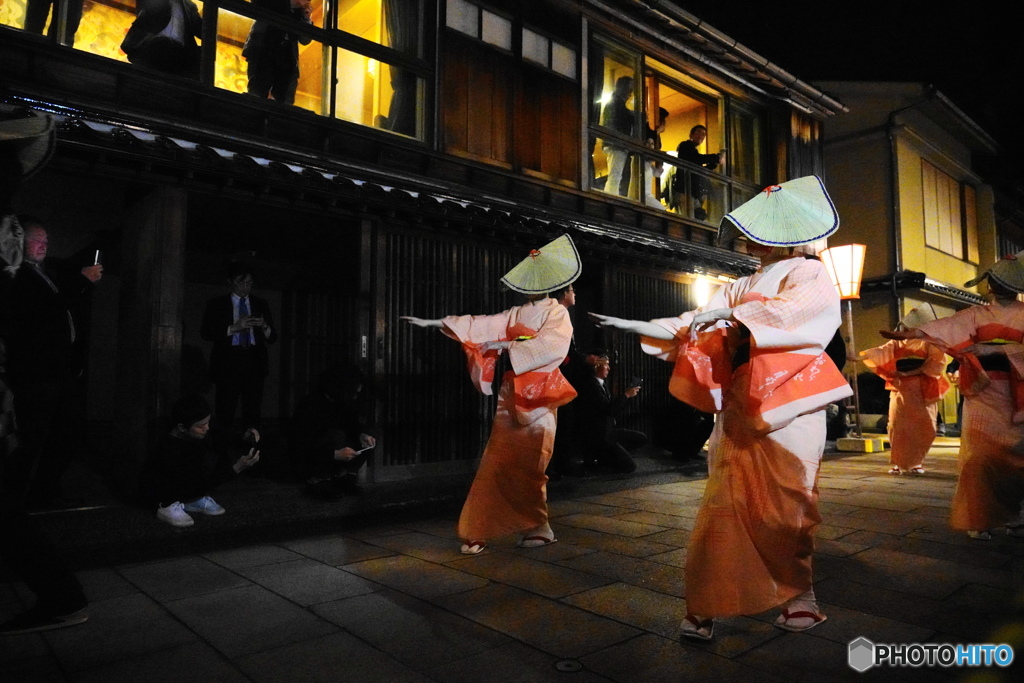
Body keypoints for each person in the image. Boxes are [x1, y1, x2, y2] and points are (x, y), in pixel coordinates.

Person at [591, 176, 850, 640]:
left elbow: (804, 316)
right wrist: (638, 324)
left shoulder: (809, 272)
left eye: (757, 234)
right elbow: (694, 323)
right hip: (741, 394)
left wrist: (736, 316)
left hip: (790, 394)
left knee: (789, 500)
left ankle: (798, 596)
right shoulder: (739, 284)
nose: (749, 243)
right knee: (723, 500)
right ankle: (706, 603)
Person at [402, 234, 580, 554]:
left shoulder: (558, 313)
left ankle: (539, 526)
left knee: (532, 464)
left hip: (541, 393)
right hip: (512, 393)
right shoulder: (515, 313)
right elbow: (481, 325)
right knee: (497, 462)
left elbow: (552, 347)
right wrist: (433, 322)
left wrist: (505, 345)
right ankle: (480, 526)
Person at [0, 107, 89, 637]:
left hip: (23, 383)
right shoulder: (18, 249)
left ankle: (61, 594)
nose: (41, 247)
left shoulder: (18, 249)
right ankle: (61, 594)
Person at [882, 253, 1024, 540]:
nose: (993, 286)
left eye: (995, 280)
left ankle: (1016, 515)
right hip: (983, 391)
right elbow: (948, 326)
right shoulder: (975, 314)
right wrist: (914, 333)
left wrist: (995, 350)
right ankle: (979, 517)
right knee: (977, 457)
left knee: (1019, 457)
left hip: (1017, 388)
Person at [0, 215, 102, 509]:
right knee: (32, 436)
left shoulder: (47, 274)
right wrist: (81, 281)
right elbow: (41, 312)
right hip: (37, 372)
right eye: (36, 240)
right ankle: (14, 498)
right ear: (20, 242)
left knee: (67, 432)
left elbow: (63, 306)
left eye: (46, 240)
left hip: (60, 370)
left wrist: (83, 282)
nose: (43, 245)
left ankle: (44, 488)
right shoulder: (17, 274)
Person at [139, 394, 260, 527]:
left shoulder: (197, 432)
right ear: (181, 428)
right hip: (166, 491)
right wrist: (236, 468)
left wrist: (243, 437)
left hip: (189, 485)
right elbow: (198, 483)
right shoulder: (169, 449)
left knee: (209, 450)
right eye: (201, 425)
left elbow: (221, 434)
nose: (206, 427)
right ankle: (166, 506)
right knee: (182, 481)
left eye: (208, 422)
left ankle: (193, 499)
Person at [861, 307, 950, 475]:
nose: (907, 329)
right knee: (897, 425)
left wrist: (909, 372)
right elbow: (880, 351)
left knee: (924, 426)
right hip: (901, 387)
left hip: (921, 387)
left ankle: (916, 462)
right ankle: (898, 462)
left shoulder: (930, 343)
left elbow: (936, 363)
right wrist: (860, 356)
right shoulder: (896, 343)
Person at [200, 262, 278, 435]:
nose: (245, 287)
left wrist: (264, 325)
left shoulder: (260, 303)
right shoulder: (217, 304)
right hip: (228, 362)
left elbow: (273, 337)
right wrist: (234, 328)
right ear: (230, 282)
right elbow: (206, 332)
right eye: (240, 283)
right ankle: (222, 450)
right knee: (225, 410)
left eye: (249, 283)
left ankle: (251, 450)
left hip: (254, 361)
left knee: (253, 411)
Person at [290, 364, 376, 498]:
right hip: (310, 459)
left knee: (368, 437)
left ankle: (343, 476)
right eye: (353, 393)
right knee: (336, 435)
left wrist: (363, 434)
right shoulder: (310, 405)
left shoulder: (344, 403)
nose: (355, 397)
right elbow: (302, 445)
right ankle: (318, 480)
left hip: (332, 453)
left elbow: (354, 424)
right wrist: (335, 454)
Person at [572, 350, 645, 473]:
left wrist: (628, 397)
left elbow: (613, 409)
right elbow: (609, 409)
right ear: (597, 367)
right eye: (606, 365)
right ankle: (603, 456)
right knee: (629, 467)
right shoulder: (590, 385)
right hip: (600, 436)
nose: (609, 369)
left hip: (610, 431)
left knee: (641, 438)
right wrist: (626, 395)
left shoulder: (601, 384)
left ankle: (612, 454)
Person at [243, 0, 314, 106]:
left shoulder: (299, 13)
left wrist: (306, 18)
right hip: (264, 50)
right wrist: (290, 4)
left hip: (286, 57)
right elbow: (258, 4)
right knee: (258, 88)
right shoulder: (275, 3)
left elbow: (305, 40)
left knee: (284, 96)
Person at [120, 0, 203, 78]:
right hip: (155, 49)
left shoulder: (188, 6)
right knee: (163, 45)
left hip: (179, 57)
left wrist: (210, 10)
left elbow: (202, 31)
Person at [675, 125, 725, 221]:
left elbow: (701, 170)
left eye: (704, 134)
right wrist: (715, 157)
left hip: (693, 193)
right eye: (698, 132)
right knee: (689, 219)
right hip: (685, 191)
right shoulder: (686, 145)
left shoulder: (693, 151)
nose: (701, 136)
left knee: (697, 218)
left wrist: (714, 164)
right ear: (691, 134)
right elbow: (696, 158)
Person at [600, 76, 634, 197]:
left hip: (614, 143)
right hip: (616, 144)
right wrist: (633, 115)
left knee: (616, 174)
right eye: (629, 88)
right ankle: (611, 197)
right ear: (622, 88)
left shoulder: (615, 102)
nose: (630, 92)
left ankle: (612, 196)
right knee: (616, 174)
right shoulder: (616, 103)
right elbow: (619, 120)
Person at [642, 107, 669, 209]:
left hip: (647, 195)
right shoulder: (644, 130)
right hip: (644, 195)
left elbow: (657, 173)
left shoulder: (648, 166)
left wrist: (661, 160)